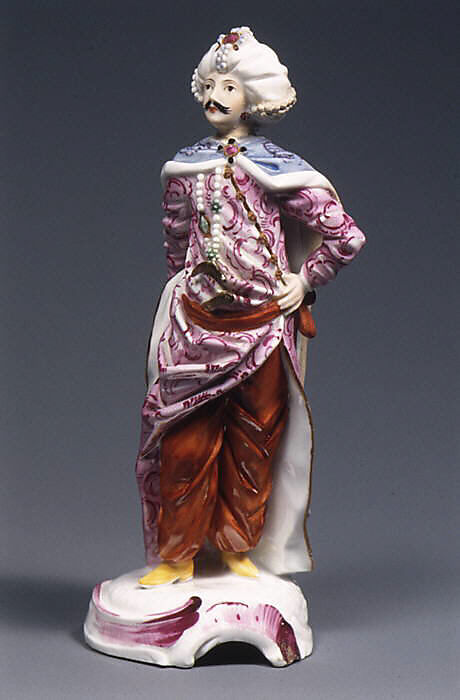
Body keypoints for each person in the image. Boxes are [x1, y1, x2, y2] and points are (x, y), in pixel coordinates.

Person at [135, 27, 366, 586]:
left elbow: (345, 236)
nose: (217, 96)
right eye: (211, 84)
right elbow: (176, 237)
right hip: (196, 327)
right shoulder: (186, 169)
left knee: (254, 441)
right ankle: (177, 553)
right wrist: (184, 289)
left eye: (230, 86)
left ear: (254, 97)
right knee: (183, 441)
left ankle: (238, 548)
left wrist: (304, 281)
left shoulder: (278, 168)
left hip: (262, 329)